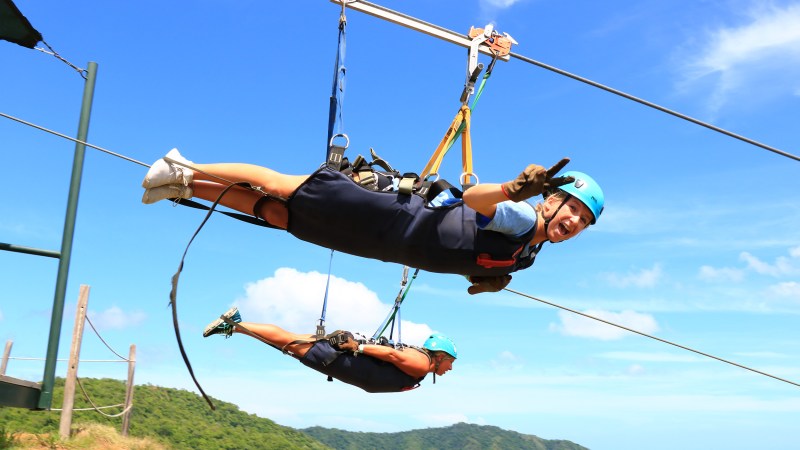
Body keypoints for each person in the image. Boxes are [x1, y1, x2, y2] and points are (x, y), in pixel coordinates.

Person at [141, 148, 604, 294]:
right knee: (287, 188)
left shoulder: (526, 254)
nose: (574, 223)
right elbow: (475, 200)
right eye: (573, 210)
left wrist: (490, 276)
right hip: (393, 213)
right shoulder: (522, 215)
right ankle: (186, 166)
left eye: (583, 222)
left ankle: (185, 187)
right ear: (552, 201)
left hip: (384, 243)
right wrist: (513, 189)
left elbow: (469, 250)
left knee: (283, 217)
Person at [202, 307, 457, 393]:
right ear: (441, 356)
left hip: (345, 358)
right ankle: (234, 324)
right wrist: (358, 347)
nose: (450, 368)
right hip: (342, 359)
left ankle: (236, 324)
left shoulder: (421, 362)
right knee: (288, 342)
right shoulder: (423, 364)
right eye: (451, 362)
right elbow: (391, 355)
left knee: (289, 340)